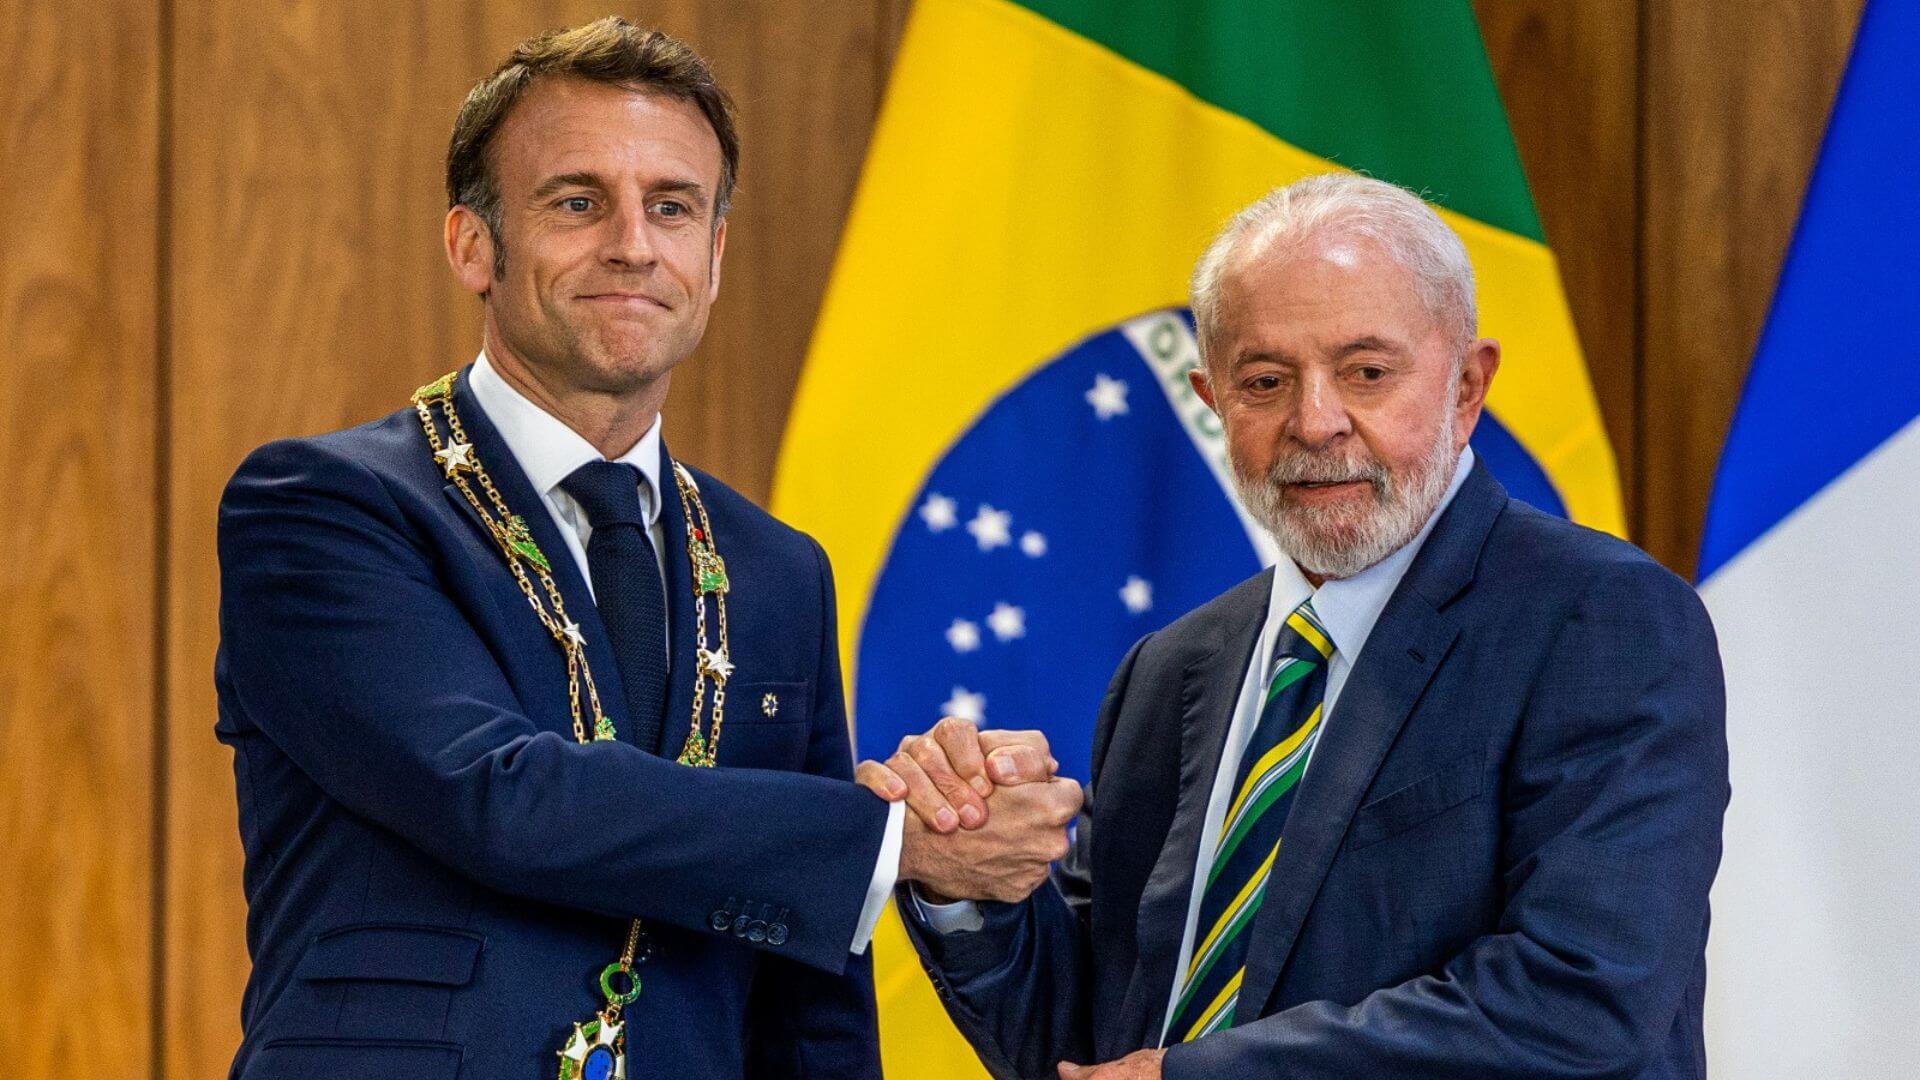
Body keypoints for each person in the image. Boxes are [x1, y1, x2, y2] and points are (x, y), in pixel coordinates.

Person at [214, 18, 1079, 1079]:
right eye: (578, 202)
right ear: (471, 245)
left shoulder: (777, 571)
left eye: (671, 208)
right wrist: (900, 840)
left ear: (712, 259)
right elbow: (500, 796)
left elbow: (809, 990)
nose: (633, 243)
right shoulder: (322, 509)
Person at [859, 173, 1729, 1079]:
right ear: (1212, 399)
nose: (1316, 423)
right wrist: (968, 888)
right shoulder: (1170, 670)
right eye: (1266, 381)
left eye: (1367, 373)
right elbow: (1090, 1037)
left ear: (1468, 386)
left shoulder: (1604, 622)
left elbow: (1582, 995)